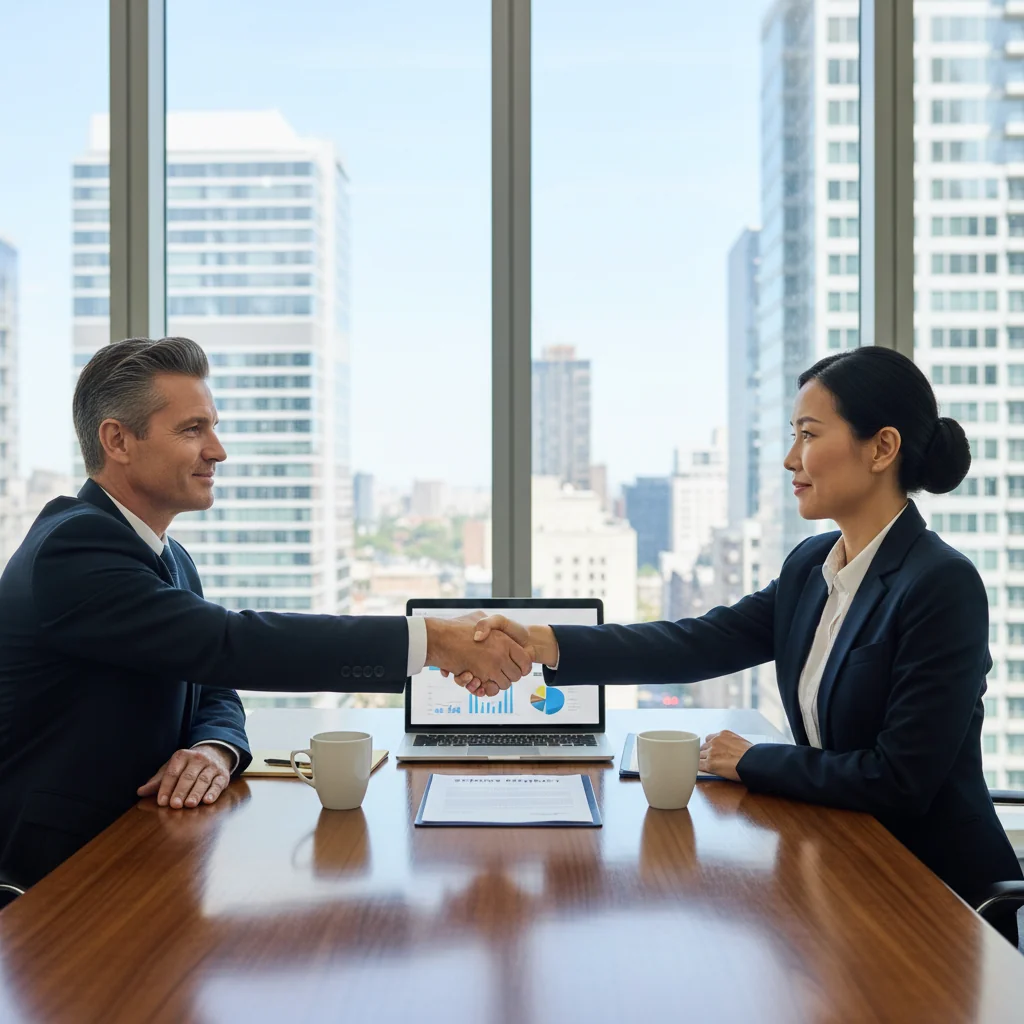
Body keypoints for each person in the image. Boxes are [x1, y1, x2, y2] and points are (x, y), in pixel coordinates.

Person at [464, 346, 1024, 944]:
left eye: (808, 435)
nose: (790, 459)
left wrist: (750, 758)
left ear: (882, 448)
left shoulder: (940, 583)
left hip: (936, 901)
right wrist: (545, 642)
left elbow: (899, 780)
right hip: (845, 868)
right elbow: (698, 643)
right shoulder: (813, 566)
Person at [0, 336, 530, 888]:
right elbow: (231, 646)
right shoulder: (73, 550)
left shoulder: (168, 555)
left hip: (143, 854)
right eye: (192, 429)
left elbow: (214, 682)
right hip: (55, 881)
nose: (218, 450)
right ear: (118, 440)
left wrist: (214, 749)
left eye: (213, 426)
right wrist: (431, 641)